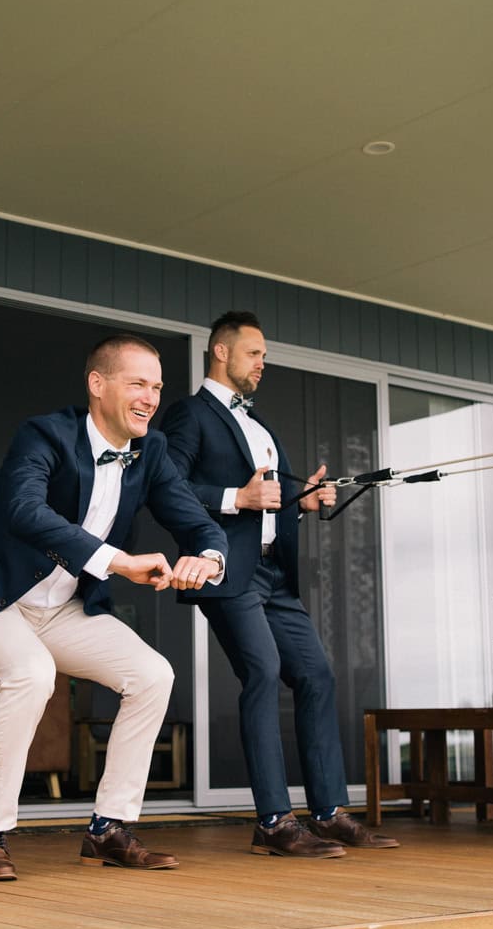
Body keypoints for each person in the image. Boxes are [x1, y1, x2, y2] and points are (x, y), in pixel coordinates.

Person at [0, 334, 228, 880]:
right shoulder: (45, 434)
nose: (150, 398)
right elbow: (23, 510)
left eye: (157, 387)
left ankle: (109, 829)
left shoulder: (152, 451)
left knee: (153, 675)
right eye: (138, 384)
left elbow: (197, 522)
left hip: (63, 609)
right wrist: (118, 561)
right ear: (97, 384)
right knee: (32, 672)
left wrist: (208, 559)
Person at [161, 311, 399, 858]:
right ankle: (272, 822)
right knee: (264, 672)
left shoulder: (259, 423)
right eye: (254, 353)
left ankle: (328, 813)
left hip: (275, 575)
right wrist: (236, 498)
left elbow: (271, 503)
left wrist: (302, 501)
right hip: (227, 572)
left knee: (316, 675)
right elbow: (167, 485)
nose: (262, 363)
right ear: (221, 352)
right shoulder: (189, 414)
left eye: (264, 356)